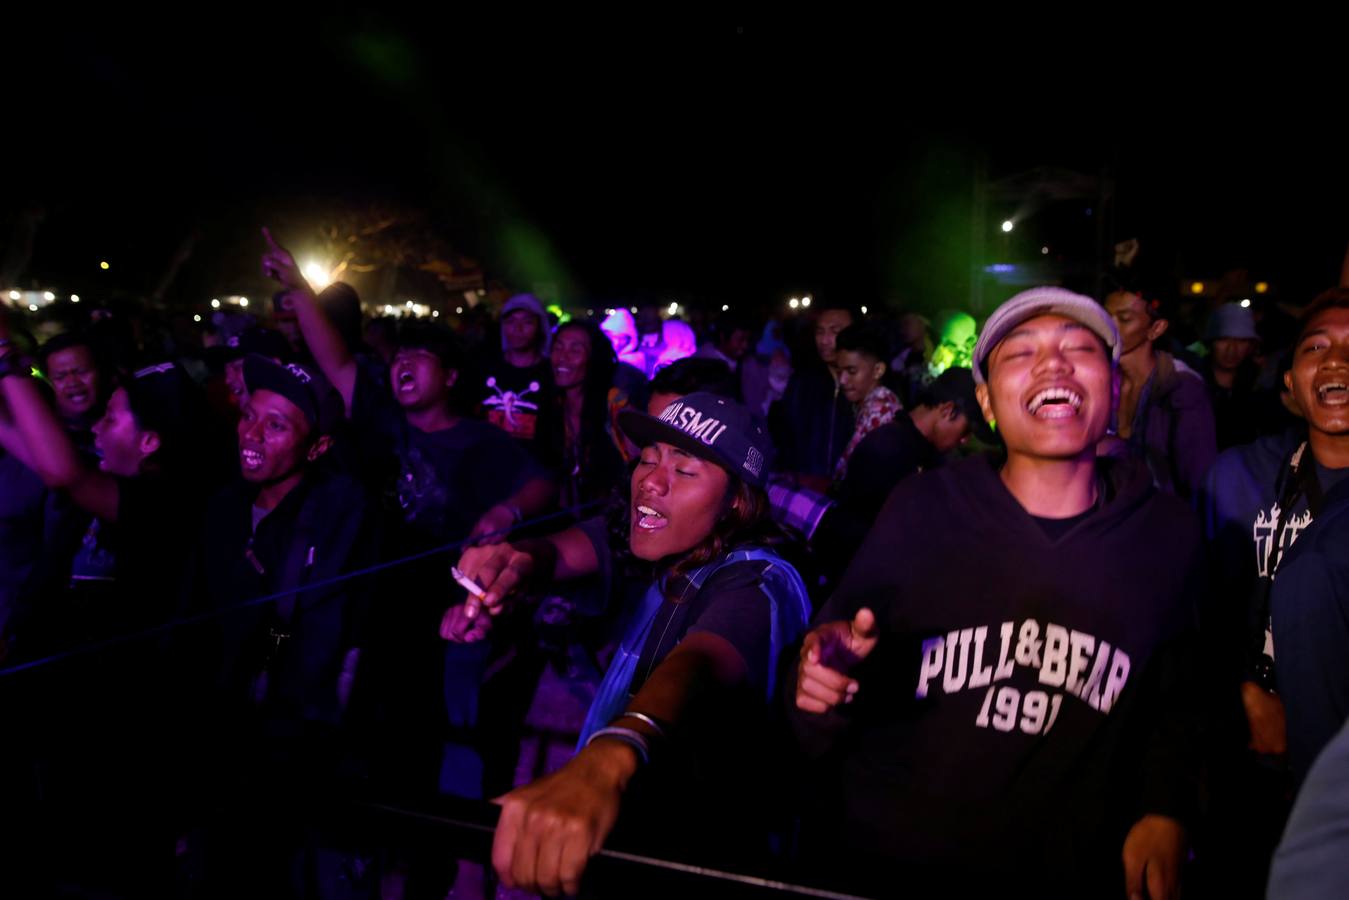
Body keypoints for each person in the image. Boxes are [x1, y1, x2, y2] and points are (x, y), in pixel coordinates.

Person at [790, 287, 1203, 898]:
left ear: (1114, 388)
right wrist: (824, 678)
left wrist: (1164, 806)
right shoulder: (925, 507)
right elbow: (831, 668)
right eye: (1022, 353)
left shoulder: (1168, 533)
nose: (1053, 364)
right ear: (984, 401)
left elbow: (1182, 695)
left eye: (1079, 348)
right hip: (895, 864)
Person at [450, 394, 811, 897]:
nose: (651, 481)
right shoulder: (671, 544)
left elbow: (701, 661)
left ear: (736, 499)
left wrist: (612, 756)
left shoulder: (759, 578)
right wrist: (514, 560)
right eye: (647, 459)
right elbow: (564, 550)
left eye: (684, 471)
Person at [178, 354, 381, 895]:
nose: (252, 434)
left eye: (277, 425)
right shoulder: (222, 507)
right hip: (208, 730)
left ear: (316, 448)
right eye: (248, 415)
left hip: (284, 742)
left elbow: (328, 643)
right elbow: (190, 619)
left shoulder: (334, 520)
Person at [1104, 286, 1216, 499]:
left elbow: (1198, 478)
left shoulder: (1182, 388)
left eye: (1124, 319)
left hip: (1163, 521)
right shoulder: (1101, 380)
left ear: (1156, 328)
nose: (1110, 326)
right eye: (1105, 315)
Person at [768, 303, 855, 485]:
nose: (824, 340)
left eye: (834, 331)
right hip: (806, 492)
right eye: (820, 332)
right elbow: (785, 437)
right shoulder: (802, 382)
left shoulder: (865, 386)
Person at [549, 319, 627, 508]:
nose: (562, 357)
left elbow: (639, 460)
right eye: (558, 348)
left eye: (575, 350)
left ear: (594, 358)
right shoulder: (553, 404)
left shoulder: (614, 402)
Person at [479, 293, 557, 462]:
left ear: (540, 326)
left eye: (527, 322)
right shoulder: (483, 367)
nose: (518, 329)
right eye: (511, 321)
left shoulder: (552, 373)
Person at [831, 324, 901, 480]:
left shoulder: (880, 410)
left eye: (851, 371)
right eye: (839, 371)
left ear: (878, 370)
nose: (842, 380)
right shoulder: (866, 402)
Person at [1201, 302, 1266, 450]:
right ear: (1211, 342)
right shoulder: (1191, 382)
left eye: (1242, 341)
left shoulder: (1259, 387)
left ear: (1251, 346)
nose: (1232, 349)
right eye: (1223, 339)